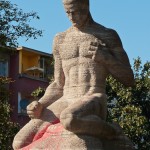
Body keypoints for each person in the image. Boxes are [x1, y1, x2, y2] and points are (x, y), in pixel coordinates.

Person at [13, 0, 134, 149]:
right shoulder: (60, 39)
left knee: (69, 118)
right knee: (19, 142)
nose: (72, 16)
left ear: (86, 7)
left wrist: (106, 58)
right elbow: (58, 84)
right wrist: (40, 104)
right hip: (65, 99)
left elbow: (128, 78)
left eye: (76, 11)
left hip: (92, 97)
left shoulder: (107, 35)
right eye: (67, 12)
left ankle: (112, 132)